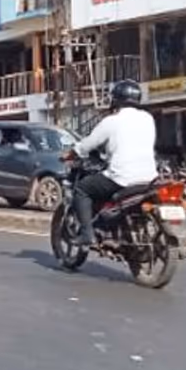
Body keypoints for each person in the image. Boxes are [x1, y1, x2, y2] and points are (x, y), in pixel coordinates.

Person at [68, 79, 158, 246]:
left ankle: (87, 234)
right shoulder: (148, 118)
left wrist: (71, 154)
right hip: (149, 177)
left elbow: (88, 144)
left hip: (122, 177)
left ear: (116, 99)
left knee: (82, 189)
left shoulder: (111, 121)